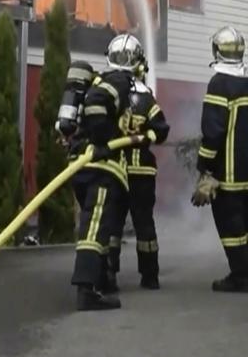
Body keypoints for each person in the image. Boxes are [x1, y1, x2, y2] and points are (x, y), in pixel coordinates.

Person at [64, 34, 148, 311]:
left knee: (100, 227)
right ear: (136, 61)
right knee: (93, 228)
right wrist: (103, 140)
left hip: (82, 164)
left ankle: (100, 281)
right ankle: (86, 291)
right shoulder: (119, 81)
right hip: (100, 167)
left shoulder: (100, 79)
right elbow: (97, 104)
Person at [191, 26, 248, 293]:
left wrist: (205, 167)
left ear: (217, 51)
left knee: (230, 226)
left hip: (228, 173)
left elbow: (213, 132)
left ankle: (240, 277)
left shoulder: (219, 84)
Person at [106, 61, 170, 291]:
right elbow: (161, 130)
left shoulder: (110, 97)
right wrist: (148, 134)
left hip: (115, 169)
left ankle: (108, 274)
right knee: (144, 223)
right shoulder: (147, 100)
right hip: (142, 172)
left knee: (112, 223)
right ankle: (150, 276)